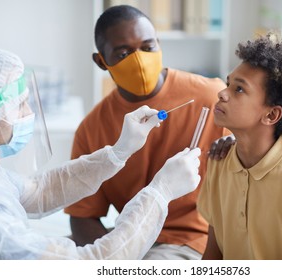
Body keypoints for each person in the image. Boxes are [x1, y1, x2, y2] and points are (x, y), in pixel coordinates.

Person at [0, 45, 202, 260]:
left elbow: (40, 191)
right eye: (18, 105)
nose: (28, 113)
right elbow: (95, 264)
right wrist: (160, 192)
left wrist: (119, 152)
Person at [64, 5, 229, 260]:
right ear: (101, 61)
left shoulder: (211, 99)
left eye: (148, 47)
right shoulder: (92, 128)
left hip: (191, 242)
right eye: (123, 53)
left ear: (159, 45)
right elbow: (82, 217)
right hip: (129, 240)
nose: (139, 60)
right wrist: (113, 256)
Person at [197, 33, 282, 260]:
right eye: (228, 83)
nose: (222, 93)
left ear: (271, 114)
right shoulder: (219, 162)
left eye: (239, 89)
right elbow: (213, 254)